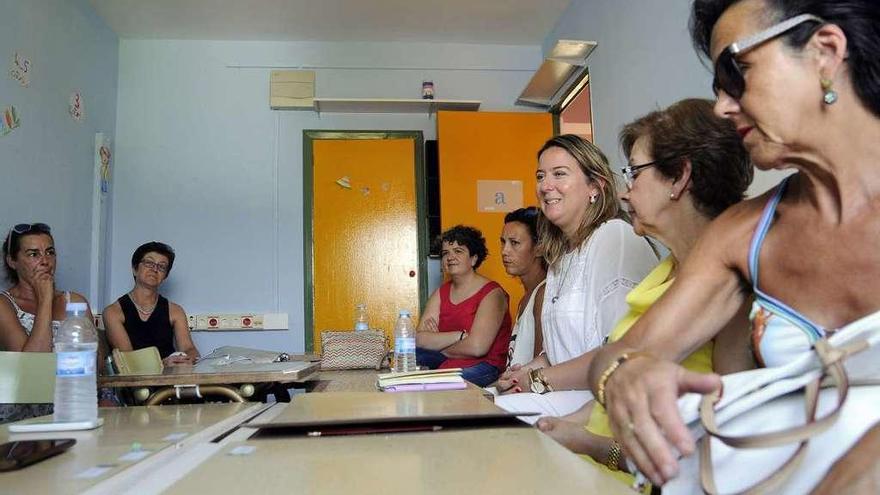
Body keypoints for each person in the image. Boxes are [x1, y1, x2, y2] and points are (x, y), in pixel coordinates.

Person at [586, 0, 880, 488]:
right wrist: (623, 375)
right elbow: (618, 355)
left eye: (736, 71)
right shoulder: (744, 234)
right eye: (717, 88)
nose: (723, 106)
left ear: (825, 52)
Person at [532, 99, 754, 487]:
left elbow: (723, 449)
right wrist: (558, 425)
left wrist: (590, 444)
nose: (625, 192)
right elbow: (612, 387)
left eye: (634, 173)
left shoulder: (731, 286)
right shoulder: (667, 272)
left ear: (679, 178)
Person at [494, 135, 657, 420]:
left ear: (595, 186)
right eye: (541, 176)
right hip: (563, 393)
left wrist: (537, 380)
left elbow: (619, 354)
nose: (545, 186)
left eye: (559, 174)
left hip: (603, 399)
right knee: (475, 403)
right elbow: (559, 351)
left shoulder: (614, 237)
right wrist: (524, 371)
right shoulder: (561, 258)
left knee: (487, 417)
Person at [0, 223, 96, 422]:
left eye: (50, 252)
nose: (45, 261)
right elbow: (33, 370)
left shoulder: (75, 302)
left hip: (75, 401)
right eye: (33, 254)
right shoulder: (4, 305)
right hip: (23, 410)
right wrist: (45, 300)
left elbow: (97, 366)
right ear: (12, 261)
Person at [415, 225, 512, 387]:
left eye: (458, 251)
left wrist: (438, 345)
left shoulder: (492, 293)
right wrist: (459, 336)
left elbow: (477, 347)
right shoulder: (441, 292)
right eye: (446, 253)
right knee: (411, 356)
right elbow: (420, 339)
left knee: (436, 385)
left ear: (474, 259)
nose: (450, 257)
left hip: (484, 365)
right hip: (448, 361)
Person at [104, 241, 199, 367]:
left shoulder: (175, 311)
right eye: (149, 263)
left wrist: (188, 358)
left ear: (165, 276)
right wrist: (161, 364)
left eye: (161, 267)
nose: (154, 269)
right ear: (134, 269)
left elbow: (189, 349)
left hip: (171, 378)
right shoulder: (113, 312)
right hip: (135, 382)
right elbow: (128, 360)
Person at [501, 207, 547, 368]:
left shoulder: (544, 294)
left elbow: (540, 367)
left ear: (540, 247)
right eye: (503, 242)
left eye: (514, 243)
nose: (504, 251)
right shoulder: (527, 297)